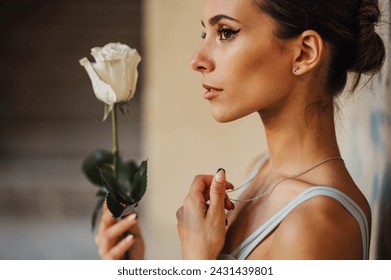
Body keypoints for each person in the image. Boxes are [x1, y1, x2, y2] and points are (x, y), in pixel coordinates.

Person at [95, 0, 386, 260]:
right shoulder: (261, 169)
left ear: (304, 54)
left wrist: (197, 261)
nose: (197, 60)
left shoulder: (317, 222)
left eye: (225, 32)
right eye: (204, 34)